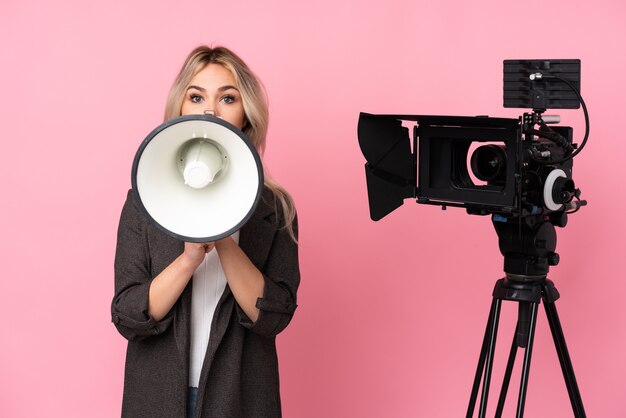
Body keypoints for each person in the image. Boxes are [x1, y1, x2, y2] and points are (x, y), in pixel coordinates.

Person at [112, 46, 300, 418]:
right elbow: (128, 315)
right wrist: (188, 259)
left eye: (227, 98)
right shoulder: (144, 202)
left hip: (241, 401)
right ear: (180, 108)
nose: (210, 111)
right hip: (156, 398)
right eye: (196, 96)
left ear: (246, 112)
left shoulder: (274, 209)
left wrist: (226, 238)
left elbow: (274, 316)